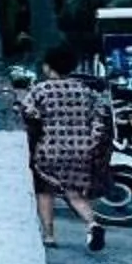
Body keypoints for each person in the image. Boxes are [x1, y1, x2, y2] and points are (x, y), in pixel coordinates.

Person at [23, 44, 113, 252]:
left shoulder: (40, 90)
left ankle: (49, 235)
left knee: (45, 193)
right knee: (75, 194)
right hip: (82, 151)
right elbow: (100, 118)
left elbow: (28, 115)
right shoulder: (86, 91)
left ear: (47, 67)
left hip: (49, 150)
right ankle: (93, 224)